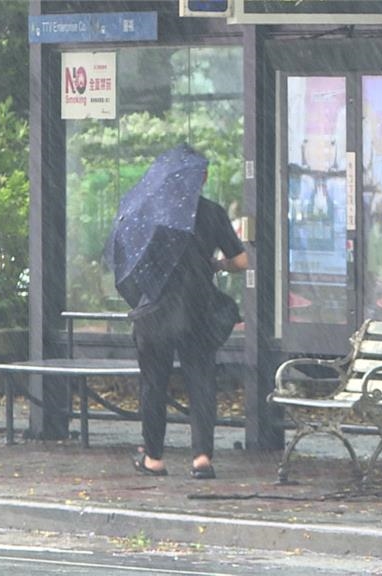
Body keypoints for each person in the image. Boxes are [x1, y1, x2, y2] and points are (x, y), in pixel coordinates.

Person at [130, 170, 248, 481]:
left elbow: (137, 263)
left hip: (157, 308)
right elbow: (241, 262)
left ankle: (153, 458)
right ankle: (202, 458)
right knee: (201, 383)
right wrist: (217, 264)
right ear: (203, 178)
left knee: (154, 384)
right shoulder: (211, 212)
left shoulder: (152, 213)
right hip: (198, 307)